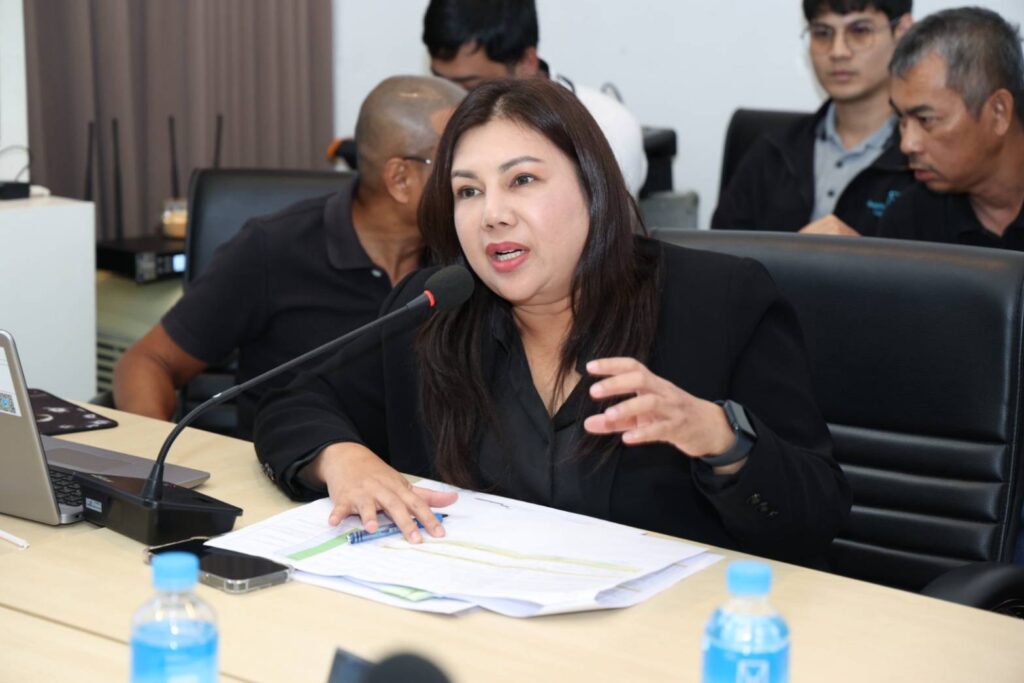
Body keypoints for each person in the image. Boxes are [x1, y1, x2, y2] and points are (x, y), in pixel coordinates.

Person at [253, 78, 851, 567]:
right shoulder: (436, 310)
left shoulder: (719, 301)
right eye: (468, 191)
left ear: (593, 185)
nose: (492, 214)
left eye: (522, 181)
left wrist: (721, 440)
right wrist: (343, 459)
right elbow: (292, 401)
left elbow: (816, 516)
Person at [113, 76, 465, 439]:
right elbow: (147, 362)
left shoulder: (465, 262)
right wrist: (154, 456)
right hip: (283, 468)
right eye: (458, 162)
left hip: (416, 474)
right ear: (401, 179)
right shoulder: (273, 248)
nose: (473, 180)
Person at [712, 0, 915, 235]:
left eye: (860, 31)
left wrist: (866, 254)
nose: (838, 51)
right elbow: (717, 252)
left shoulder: (927, 160)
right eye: (822, 33)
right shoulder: (772, 151)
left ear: (902, 31)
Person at [422, 0, 648, 198]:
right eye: (440, 81)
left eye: (471, 87)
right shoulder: (426, 124)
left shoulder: (606, 127)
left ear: (527, 62)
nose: (454, 102)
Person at [877, 7, 1024, 249]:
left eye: (926, 119)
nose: (907, 144)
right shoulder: (908, 222)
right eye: (901, 119)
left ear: (998, 112)